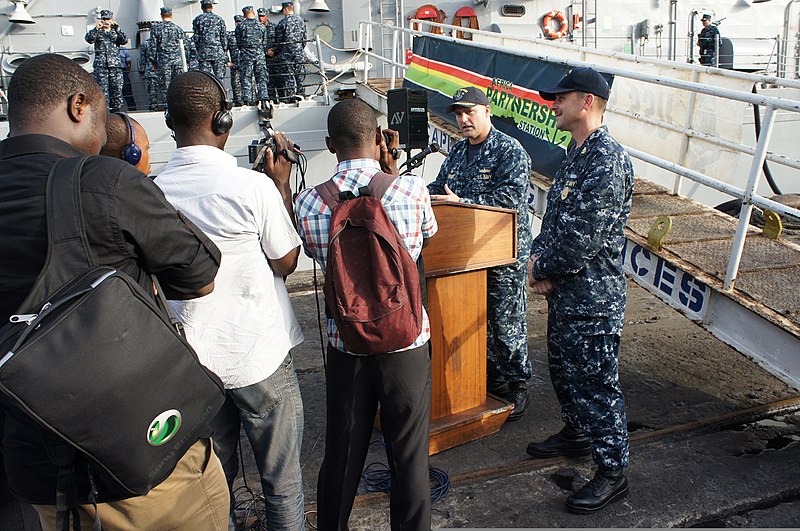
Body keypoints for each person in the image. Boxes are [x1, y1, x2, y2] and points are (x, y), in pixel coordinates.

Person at [0, 53, 228, 531]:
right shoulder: (104, 181)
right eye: (103, 120)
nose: (104, 137)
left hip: (33, 470)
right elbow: (200, 275)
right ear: (79, 105)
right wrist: (136, 188)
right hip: (142, 464)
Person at [156, 71, 306, 530]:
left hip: (192, 364)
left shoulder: (151, 194)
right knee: (282, 481)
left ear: (168, 121)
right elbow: (285, 262)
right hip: (259, 356)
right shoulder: (252, 187)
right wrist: (279, 187)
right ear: (223, 121)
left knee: (213, 481)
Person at [294, 99, 437, 531]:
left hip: (346, 342)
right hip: (406, 341)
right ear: (379, 139)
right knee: (408, 455)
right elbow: (422, 244)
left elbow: (317, 255)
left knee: (342, 450)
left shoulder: (309, 204)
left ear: (329, 144)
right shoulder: (410, 189)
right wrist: (390, 172)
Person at [525, 67, 634, 514]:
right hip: (567, 295)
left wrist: (542, 266)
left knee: (596, 384)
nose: (553, 104)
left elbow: (581, 239)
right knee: (566, 373)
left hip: (593, 300)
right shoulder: (577, 153)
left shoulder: (606, 160)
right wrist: (536, 261)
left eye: (561, 98)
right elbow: (555, 223)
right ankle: (576, 432)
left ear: (586, 101)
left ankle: (613, 471)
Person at [428, 86, 533, 421]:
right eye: (458, 114)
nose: (463, 119)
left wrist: (464, 205)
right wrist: (422, 195)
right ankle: (489, 378)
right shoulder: (458, 154)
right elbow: (438, 187)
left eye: (469, 112)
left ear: (487, 111)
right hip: (465, 254)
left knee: (505, 321)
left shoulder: (509, 151)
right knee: (474, 320)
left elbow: (510, 200)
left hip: (502, 251)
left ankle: (517, 383)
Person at [84, 9, 128, 112]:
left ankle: (117, 111)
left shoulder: (115, 31)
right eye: (104, 19)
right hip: (101, 65)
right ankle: (105, 112)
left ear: (112, 19)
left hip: (115, 66)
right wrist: (96, 28)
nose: (106, 21)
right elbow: (88, 39)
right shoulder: (97, 31)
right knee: (103, 91)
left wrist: (118, 28)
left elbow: (124, 40)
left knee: (116, 89)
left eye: (108, 19)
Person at [149, 6, 187, 109]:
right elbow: (185, 46)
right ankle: (179, 106)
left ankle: (168, 107)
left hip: (164, 62)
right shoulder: (178, 29)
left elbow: (152, 47)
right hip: (178, 62)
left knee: (166, 86)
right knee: (179, 84)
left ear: (161, 16)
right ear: (171, 15)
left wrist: (153, 62)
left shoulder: (156, 29)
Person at [236, 6, 270, 107]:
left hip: (246, 56)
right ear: (253, 13)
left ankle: (247, 99)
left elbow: (238, 42)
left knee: (246, 77)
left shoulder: (240, 26)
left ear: (244, 14)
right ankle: (263, 97)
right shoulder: (261, 26)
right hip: (259, 55)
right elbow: (264, 42)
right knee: (261, 77)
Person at [274, 1, 307, 100]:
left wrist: (276, 51)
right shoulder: (300, 21)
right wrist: (299, 48)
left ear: (286, 9)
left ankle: (291, 97)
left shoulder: (282, 22)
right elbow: (304, 38)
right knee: (300, 76)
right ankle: (301, 96)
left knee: (289, 77)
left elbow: (279, 40)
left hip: (287, 53)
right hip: (299, 53)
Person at [193, 0, 228, 80]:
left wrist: (200, 49)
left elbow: (196, 38)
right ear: (211, 7)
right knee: (220, 79)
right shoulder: (219, 19)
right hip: (218, 52)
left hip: (204, 53)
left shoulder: (198, 19)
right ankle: (221, 92)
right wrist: (224, 51)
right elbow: (223, 37)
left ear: (202, 7)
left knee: (206, 78)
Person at [259, 7, 280, 102]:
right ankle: (272, 101)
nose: (260, 18)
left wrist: (274, 50)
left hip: (275, 58)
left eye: (263, 16)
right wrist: (265, 52)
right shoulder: (257, 28)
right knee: (268, 82)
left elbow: (279, 40)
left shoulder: (274, 27)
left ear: (267, 16)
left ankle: (282, 99)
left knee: (279, 81)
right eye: (259, 16)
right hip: (264, 59)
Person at [139, 36, 161, 111]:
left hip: (153, 71)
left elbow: (142, 60)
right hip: (154, 71)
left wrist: (142, 70)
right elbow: (143, 59)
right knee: (153, 92)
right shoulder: (146, 43)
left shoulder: (146, 43)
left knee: (152, 92)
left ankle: (154, 107)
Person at [227, 15, 244, 106]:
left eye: (240, 22)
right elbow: (223, 48)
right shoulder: (230, 36)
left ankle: (249, 101)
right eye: (237, 22)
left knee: (249, 84)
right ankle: (238, 102)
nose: (238, 24)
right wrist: (227, 61)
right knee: (236, 84)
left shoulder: (247, 33)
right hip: (235, 65)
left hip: (246, 64)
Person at [118, 46, 137, 111]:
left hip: (123, 71)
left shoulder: (123, 49)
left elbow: (129, 62)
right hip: (112, 72)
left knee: (127, 92)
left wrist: (126, 71)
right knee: (113, 94)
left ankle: (133, 110)